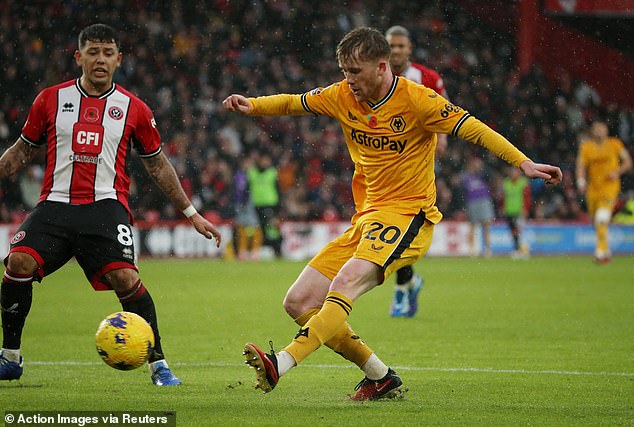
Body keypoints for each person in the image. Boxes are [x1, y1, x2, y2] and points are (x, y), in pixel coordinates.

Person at [223, 27, 561, 400]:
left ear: (382, 67)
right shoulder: (340, 96)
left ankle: (281, 363)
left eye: (355, 72)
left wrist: (524, 163)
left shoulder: (418, 100)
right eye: (344, 71)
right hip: (367, 217)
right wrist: (253, 104)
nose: (348, 80)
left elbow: (474, 130)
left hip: (408, 217)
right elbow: (294, 102)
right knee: (299, 301)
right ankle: (380, 376)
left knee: (344, 284)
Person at [0, 24, 221, 385]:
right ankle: (9, 357)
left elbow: (157, 164)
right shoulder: (49, 100)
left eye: (107, 53)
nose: (99, 59)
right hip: (55, 205)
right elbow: (22, 150)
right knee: (18, 262)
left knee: (126, 277)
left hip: (106, 208)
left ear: (118, 60)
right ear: (79, 57)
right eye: (92, 51)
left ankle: (159, 365)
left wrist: (191, 213)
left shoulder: (133, 108)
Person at [385, 25, 450, 317]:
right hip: (383, 163)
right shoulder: (376, 76)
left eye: (401, 46)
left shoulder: (428, 78)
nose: (396, 51)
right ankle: (410, 281)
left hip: (416, 164)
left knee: (402, 226)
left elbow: (445, 112)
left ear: (409, 48)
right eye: (392, 46)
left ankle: (401, 290)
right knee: (390, 230)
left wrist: (443, 139)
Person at [576, 119, 632, 263]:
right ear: (592, 131)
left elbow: (628, 162)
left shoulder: (615, 144)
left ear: (606, 130)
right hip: (593, 189)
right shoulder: (586, 147)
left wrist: (617, 172)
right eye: (597, 129)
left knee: (602, 218)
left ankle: (600, 252)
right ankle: (606, 249)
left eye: (602, 129)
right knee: (596, 222)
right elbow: (581, 166)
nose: (600, 131)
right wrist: (580, 180)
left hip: (609, 188)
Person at [247, 152, 283, 258]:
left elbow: (278, 190)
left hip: (270, 205)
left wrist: (278, 209)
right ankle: (266, 250)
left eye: (267, 160)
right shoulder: (251, 173)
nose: (266, 162)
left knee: (271, 228)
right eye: (264, 160)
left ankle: (277, 248)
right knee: (261, 229)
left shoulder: (272, 172)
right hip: (256, 205)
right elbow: (246, 190)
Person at [461, 157, 495, 257]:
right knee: (472, 225)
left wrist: (481, 168)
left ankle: (488, 249)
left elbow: (490, 176)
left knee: (486, 225)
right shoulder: (465, 176)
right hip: (472, 202)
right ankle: (472, 249)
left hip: (484, 200)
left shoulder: (483, 174)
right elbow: (461, 190)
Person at [502, 166, 530, 258]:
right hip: (509, 211)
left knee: (519, 231)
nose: (513, 174)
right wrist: (503, 207)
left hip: (519, 211)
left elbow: (527, 197)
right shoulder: (506, 182)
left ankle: (523, 250)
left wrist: (525, 209)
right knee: (513, 231)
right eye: (512, 172)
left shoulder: (523, 183)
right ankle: (517, 249)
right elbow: (503, 197)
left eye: (515, 172)